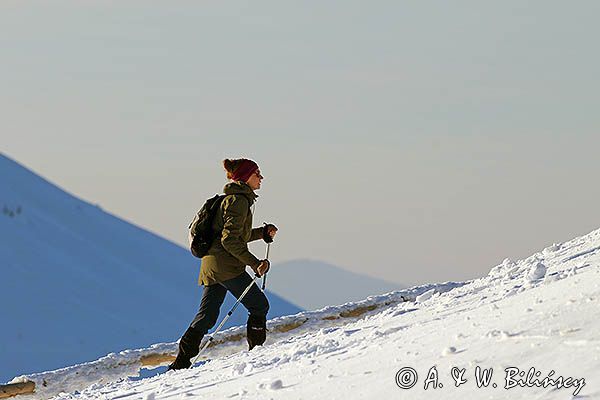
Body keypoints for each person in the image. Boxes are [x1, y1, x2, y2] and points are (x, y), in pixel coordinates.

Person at [168, 158, 278, 370]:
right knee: (259, 305)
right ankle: (257, 354)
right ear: (246, 177)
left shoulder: (234, 199)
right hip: (227, 267)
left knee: (207, 316)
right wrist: (255, 264)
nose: (261, 178)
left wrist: (261, 233)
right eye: (257, 174)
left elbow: (232, 236)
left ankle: (181, 362)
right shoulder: (238, 201)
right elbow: (229, 241)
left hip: (212, 265)